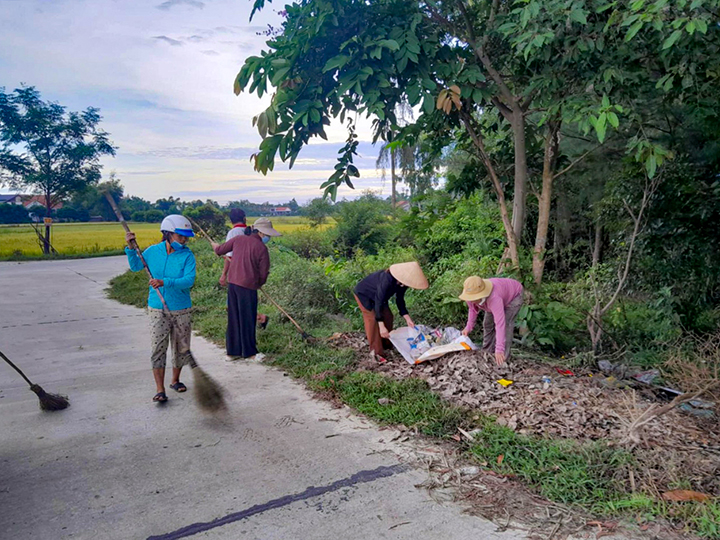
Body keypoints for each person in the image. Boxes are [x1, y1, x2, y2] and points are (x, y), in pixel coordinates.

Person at [125, 215, 197, 403]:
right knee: (158, 348)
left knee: (181, 348)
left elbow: (188, 281)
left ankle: (175, 380)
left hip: (181, 308)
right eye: (180, 236)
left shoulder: (187, 256)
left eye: (186, 236)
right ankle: (160, 389)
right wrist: (131, 249)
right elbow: (135, 267)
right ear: (168, 233)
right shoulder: (152, 251)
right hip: (157, 308)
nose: (184, 240)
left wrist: (165, 282)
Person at [211, 218, 281, 361]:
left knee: (234, 318)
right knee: (247, 319)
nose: (268, 237)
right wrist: (259, 284)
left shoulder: (238, 239)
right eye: (267, 234)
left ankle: (233, 352)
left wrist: (215, 245)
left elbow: (219, 251)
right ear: (261, 233)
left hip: (233, 285)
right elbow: (263, 273)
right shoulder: (261, 248)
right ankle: (250, 353)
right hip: (248, 288)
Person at [354, 262, 428, 361]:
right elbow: (378, 301)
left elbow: (400, 300)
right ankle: (377, 353)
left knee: (388, 316)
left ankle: (387, 343)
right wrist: (381, 326)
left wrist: (407, 318)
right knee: (372, 320)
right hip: (364, 294)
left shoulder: (403, 284)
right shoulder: (387, 279)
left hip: (380, 298)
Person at [218, 208, 269, 329]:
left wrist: (224, 274)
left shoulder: (233, 233)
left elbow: (228, 256)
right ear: (244, 218)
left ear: (231, 220)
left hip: (238, 278)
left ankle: (260, 319)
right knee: (245, 306)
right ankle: (260, 319)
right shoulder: (250, 231)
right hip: (251, 276)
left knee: (235, 308)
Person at [459, 276, 524, 367]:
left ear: (481, 294)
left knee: (506, 326)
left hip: (513, 297)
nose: (471, 300)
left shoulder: (494, 298)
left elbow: (500, 324)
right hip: (499, 297)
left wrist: (499, 349)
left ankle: (502, 358)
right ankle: (487, 352)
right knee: (487, 324)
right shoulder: (470, 296)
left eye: (474, 298)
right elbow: (473, 310)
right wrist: (468, 327)